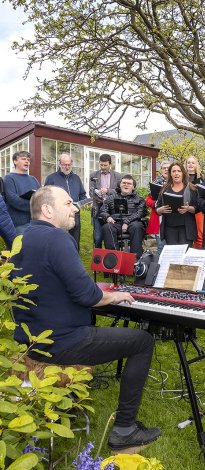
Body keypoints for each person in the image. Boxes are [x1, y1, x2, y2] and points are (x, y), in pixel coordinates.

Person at [11, 186, 161, 452]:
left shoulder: (21, 237)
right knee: (143, 341)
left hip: (31, 340)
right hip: (62, 343)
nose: (76, 208)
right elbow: (88, 295)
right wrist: (115, 296)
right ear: (47, 210)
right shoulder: (58, 239)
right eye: (68, 203)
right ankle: (125, 431)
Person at [44, 153, 87, 249]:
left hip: (74, 214)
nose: (67, 167)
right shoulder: (51, 178)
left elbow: (82, 194)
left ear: (71, 164)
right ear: (59, 164)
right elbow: (46, 196)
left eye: (69, 165)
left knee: (75, 241)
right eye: (64, 165)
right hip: (58, 215)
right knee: (59, 241)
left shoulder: (76, 178)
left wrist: (80, 204)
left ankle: (74, 261)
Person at [101, 175, 146, 258]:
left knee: (137, 226)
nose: (126, 185)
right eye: (124, 183)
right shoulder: (111, 198)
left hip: (132, 223)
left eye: (129, 183)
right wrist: (107, 217)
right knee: (107, 227)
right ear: (120, 185)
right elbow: (103, 210)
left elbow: (141, 213)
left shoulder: (139, 199)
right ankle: (114, 259)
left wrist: (127, 222)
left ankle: (135, 259)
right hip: (115, 223)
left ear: (133, 187)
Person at [156, 162, 199, 245]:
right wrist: (161, 210)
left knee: (184, 255)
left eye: (179, 171)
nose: (176, 173)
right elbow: (157, 208)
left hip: (186, 228)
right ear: (170, 174)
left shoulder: (191, 189)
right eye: (173, 171)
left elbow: (197, 208)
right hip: (169, 228)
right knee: (173, 256)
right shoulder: (164, 189)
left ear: (183, 173)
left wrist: (188, 208)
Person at [3, 151, 40, 234]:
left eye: (28, 160)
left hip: (34, 222)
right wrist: (33, 206)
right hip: (18, 224)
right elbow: (13, 199)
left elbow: (40, 197)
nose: (27, 161)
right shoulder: (9, 178)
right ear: (15, 161)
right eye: (23, 159)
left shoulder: (33, 179)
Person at [90, 154, 121, 248]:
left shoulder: (117, 176)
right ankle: (97, 260)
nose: (103, 167)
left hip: (112, 210)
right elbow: (91, 192)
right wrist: (97, 193)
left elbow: (119, 191)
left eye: (105, 165)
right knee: (98, 237)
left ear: (110, 164)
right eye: (101, 165)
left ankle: (110, 260)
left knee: (110, 236)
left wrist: (108, 190)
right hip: (98, 209)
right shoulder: (93, 175)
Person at [145, 161, 170, 256]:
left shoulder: (177, 183)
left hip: (173, 218)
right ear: (161, 170)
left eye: (168, 168)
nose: (166, 170)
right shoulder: (155, 183)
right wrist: (157, 204)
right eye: (164, 168)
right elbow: (147, 200)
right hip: (158, 218)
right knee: (161, 247)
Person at [184, 156, 204, 249]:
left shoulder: (201, 180)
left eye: (193, 162)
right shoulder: (181, 178)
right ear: (185, 165)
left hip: (197, 210)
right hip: (184, 210)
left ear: (196, 165)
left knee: (199, 235)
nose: (190, 164)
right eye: (188, 162)